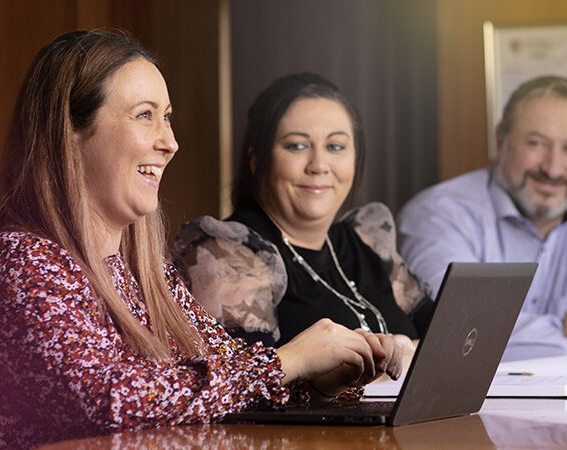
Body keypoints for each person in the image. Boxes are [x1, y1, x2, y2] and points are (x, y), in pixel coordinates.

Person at [0, 31, 403, 449]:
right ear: (69, 129)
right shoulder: (19, 260)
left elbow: (230, 378)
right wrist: (289, 361)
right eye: (145, 115)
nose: (170, 142)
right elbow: (107, 399)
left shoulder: (147, 272)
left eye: (167, 117)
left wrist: (320, 384)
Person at [173, 72, 432, 353]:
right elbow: (248, 384)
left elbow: (454, 337)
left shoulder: (366, 242)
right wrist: (411, 357)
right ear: (256, 159)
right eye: (297, 146)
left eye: (335, 147)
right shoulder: (229, 255)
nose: (319, 165)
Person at [397, 75, 567, 362]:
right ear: (501, 139)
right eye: (536, 143)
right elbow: (466, 329)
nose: (553, 168)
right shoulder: (437, 213)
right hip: (469, 406)